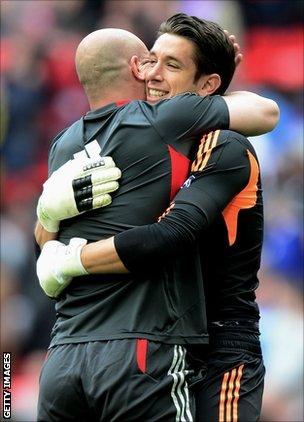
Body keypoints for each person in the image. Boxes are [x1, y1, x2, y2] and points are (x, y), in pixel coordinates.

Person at [36, 14, 279, 421]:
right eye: (151, 59)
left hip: (219, 345)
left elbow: (168, 235)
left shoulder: (221, 144)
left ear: (207, 88)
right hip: (164, 340)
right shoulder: (138, 133)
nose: (152, 74)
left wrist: (69, 258)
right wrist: (46, 216)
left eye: (172, 65)